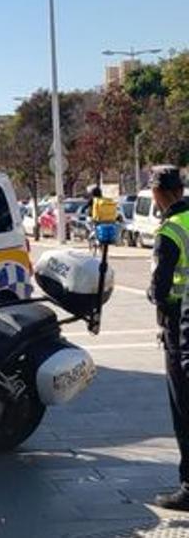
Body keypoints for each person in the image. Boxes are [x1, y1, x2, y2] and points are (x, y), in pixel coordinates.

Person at [148, 166, 189, 510]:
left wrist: (154, 296)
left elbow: (159, 290)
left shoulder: (171, 231)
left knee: (183, 406)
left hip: (180, 325)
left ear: (159, 193)